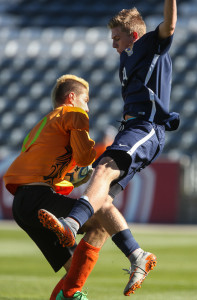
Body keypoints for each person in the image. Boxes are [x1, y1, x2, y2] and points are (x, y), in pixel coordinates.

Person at [38, 0, 179, 298]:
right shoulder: (126, 57)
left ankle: (71, 222)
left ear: (133, 35)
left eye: (117, 38)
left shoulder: (152, 44)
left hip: (147, 127)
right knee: (101, 206)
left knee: (101, 171)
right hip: (130, 129)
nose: (113, 45)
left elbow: (170, 25)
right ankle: (137, 255)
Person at [3, 74, 110, 300]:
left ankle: (70, 294)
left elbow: (47, 168)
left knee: (74, 269)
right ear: (72, 98)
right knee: (101, 223)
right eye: (86, 100)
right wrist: (93, 165)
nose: (87, 108)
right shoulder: (73, 114)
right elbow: (83, 157)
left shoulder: (42, 125)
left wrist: (71, 178)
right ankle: (73, 294)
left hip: (22, 203)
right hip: (39, 197)